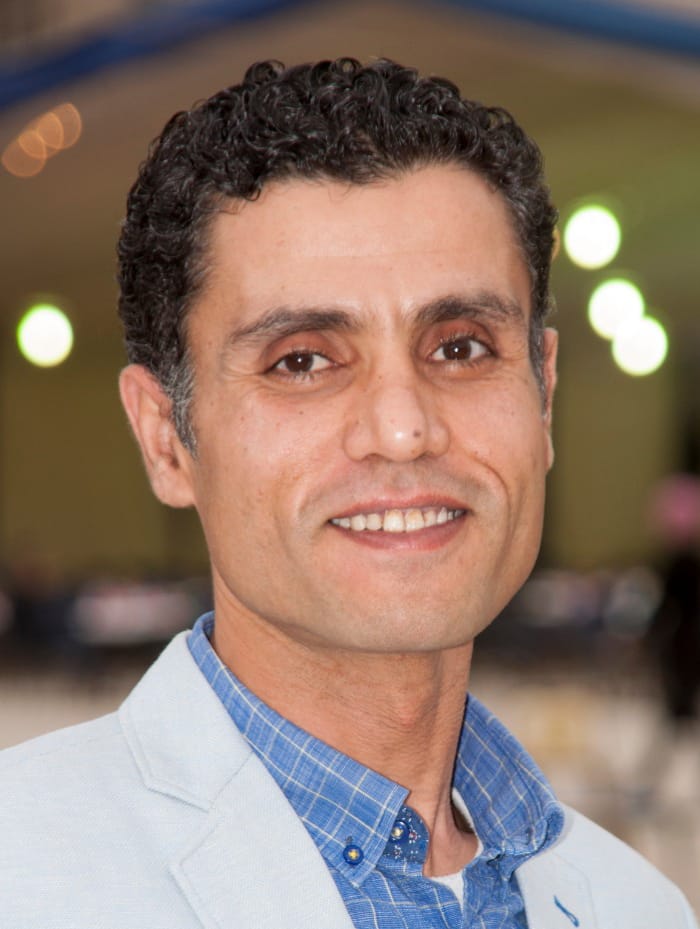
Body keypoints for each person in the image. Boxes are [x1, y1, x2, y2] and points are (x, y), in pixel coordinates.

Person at [0, 58, 696, 929]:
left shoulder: (640, 906)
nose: (403, 429)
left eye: (461, 347)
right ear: (165, 438)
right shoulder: (24, 874)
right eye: (301, 361)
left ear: (543, 396)